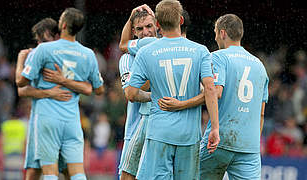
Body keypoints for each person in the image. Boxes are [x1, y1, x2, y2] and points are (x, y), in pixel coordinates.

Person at [159, 14, 269, 180]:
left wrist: (180, 104)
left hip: (220, 140)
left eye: (216, 32)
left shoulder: (218, 57)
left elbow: (215, 92)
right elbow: (261, 113)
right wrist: (252, 141)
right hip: (249, 146)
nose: (216, 36)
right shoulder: (260, 65)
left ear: (223, 33)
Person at [125, 0, 220, 179]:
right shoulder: (200, 51)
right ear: (181, 20)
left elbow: (130, 93)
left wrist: (152, 97)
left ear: (158, 24)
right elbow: (210, 88)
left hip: (159, 132)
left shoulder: (146, 52)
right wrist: (214, 127)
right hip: (189, 135)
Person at [16, 8, 104, 180]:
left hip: (47, 117)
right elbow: (98, 89)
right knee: (77, 173)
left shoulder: (44, 50)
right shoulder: (88, 54)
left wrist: (20, 60)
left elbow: (21, 82)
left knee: (49, 172)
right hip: (72, 119)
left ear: (63, 25)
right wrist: (70, 83)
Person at [118, 5, 156, 180]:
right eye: (140, 29)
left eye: (149, 26)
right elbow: (131, 94)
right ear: (133, 32)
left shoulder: (168, 50)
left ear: (157, 26)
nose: (145, 32)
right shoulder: (127, 59)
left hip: (163, 130)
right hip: (134, 129)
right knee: (127, 176)